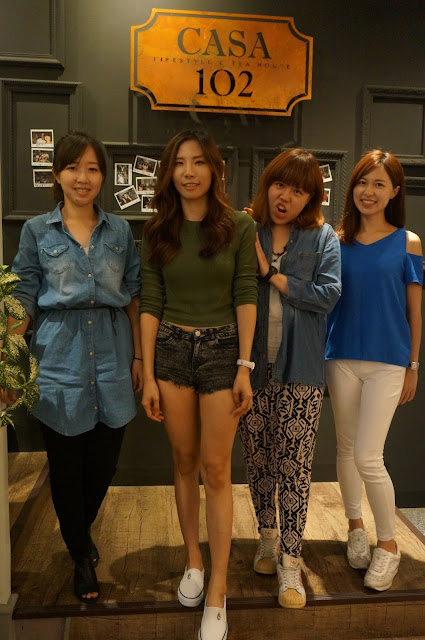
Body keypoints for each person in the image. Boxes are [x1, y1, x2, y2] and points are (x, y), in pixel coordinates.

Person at [3, 130, 143, 603]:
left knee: (102, 467)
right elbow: (23, 293)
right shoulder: (37, 231)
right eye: (72, 168)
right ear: (57, 175)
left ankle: (78, 533)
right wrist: (10, 356)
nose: (83, 178)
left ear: (103, 176)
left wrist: (139, 357)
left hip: (113, 355)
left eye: (92, 169)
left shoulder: (119, 231)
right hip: (58, 357)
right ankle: (81, 556)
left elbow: (135, 294)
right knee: (65, 468)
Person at [140, 129, 257, 640]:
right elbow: (150, 301)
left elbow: (246, 292)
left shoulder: (239, 226)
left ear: (214, 169)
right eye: (179, 163)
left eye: (198, 162)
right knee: (184, 461)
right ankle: (193, 560)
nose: (189, 172)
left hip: (222, 351)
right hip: (169, 349)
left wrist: (244, 365)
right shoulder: (157, 230)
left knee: (217, 469)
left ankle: (218, 590)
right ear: (170, 173)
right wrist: (147, 373)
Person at [238, 148, 341, 609]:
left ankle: (291, 561)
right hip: (251, 367)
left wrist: (273, 275)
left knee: (295, 467)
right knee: (258, 457)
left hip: (302, 369)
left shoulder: (323, 237)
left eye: (298, 190)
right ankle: (267, 536)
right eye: (280, 184)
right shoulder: (248, 230)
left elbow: (329, 295)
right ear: (267, 185)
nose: (286, 196)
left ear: (311, 198)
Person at [326, 150, 422, 591]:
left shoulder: (408, 242)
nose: (369, 191)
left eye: (379, 184)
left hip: (389, 361)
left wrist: (413, 365)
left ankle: (389, 545)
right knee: (346, 449)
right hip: (341, 355)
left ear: (394, 192)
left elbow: (414, 311)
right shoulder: (335, 239)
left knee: (368, 455)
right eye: (363, 182)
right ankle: (355, 526)